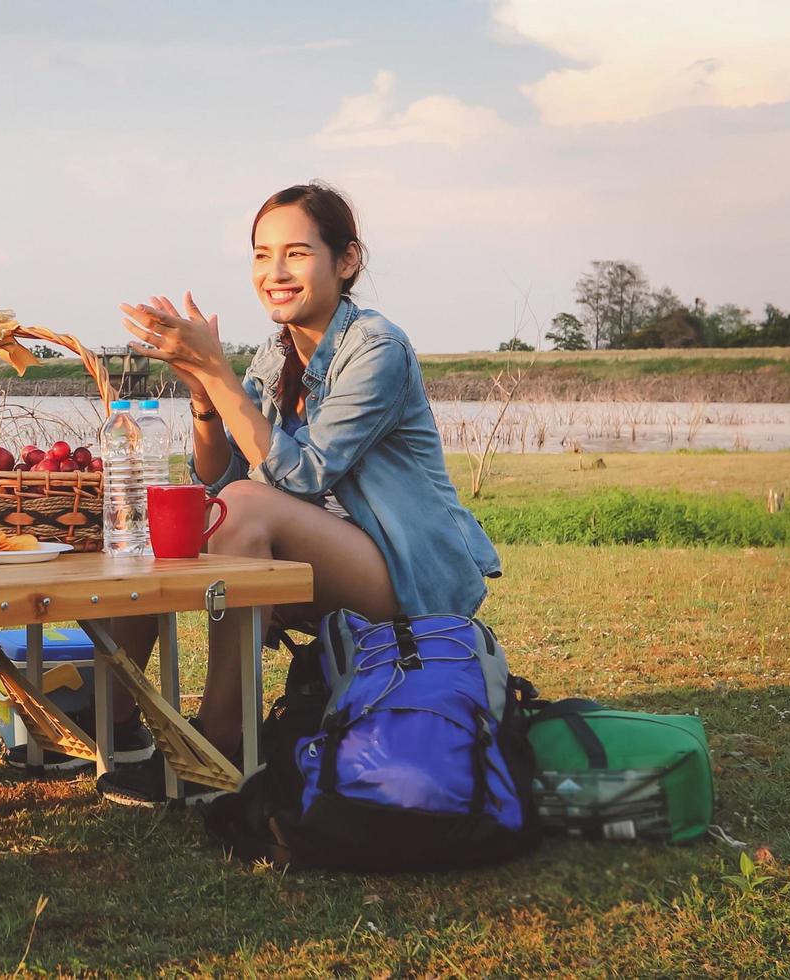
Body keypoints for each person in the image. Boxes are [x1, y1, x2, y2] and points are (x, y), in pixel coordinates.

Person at [94, 182, 502, 806]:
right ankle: (117, 726)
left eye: (296, 253)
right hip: (321, 552)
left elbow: (302, 476)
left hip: (407, 573)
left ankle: (223, 746)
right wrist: (205, 396)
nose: (274, 272)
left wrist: (218, 371)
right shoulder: (275, 352)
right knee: (171, 517)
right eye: (261, 254)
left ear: (347, 261)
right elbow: (223, 479)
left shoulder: (377, 349)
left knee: (250, 509)